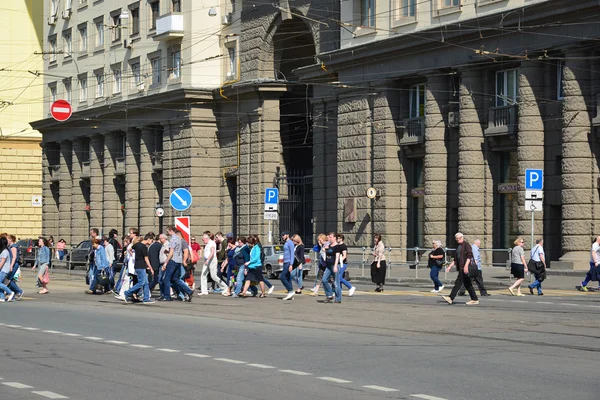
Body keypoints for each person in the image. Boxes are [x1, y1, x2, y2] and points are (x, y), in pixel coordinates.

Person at [441, 232, 479, 305]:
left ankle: (451, 298)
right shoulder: (458, 246)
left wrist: (466, 266)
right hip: (461, 267)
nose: (457, 240)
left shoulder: (466, 245)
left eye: (458, 238)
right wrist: (449, 267)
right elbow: (456, 259)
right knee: (468, 284)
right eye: (456, 239)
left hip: (464, 268)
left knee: (458, 282)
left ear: (462, 237)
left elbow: (469, 256)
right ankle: (474, 299)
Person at [161, 226, 194, 302]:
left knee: (167, 279)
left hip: (173, 260)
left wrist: (165, 263)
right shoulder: (179, 239)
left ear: (171, 231)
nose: (167, 233)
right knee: (175, 278)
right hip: (178, 261)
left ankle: (167, 296)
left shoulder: (173, 239)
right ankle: (189, 291)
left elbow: (172, 252)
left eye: (168, 231)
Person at [122, 233, 155, 304]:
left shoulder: (136, 245)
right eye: (151, 241)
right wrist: (151, 268)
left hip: (137, 265)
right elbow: (146, 258)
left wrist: (132, 254)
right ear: (148, 239)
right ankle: (127, 292)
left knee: (146, 282)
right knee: (141, 282)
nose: (151, 242)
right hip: (141, 266)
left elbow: (129, 249)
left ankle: (146, 298)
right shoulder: (144, 247)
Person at [199, 231, 228, 295]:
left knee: (214, 276)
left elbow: (212, 252)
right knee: (203, 275)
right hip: (207, 260)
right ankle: (204, 291)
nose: (203, 241)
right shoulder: (207, 244)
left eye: (203, 240)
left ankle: (225, 287)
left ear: (206, 238)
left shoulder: (212, 243)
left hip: (212, 260)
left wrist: (208, 260)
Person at [321, 232, 342, 303]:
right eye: (329, 237)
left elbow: (337, 257)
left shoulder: (337, 247)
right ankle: (329, 295)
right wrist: (325, 249)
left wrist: (336, 266)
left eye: (330, 237)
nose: (328, 238)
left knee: (336, 283)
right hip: (328, 266)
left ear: (334, 238)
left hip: (334, 265)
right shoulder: (329, 245)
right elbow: (325, 250)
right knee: (324, 280)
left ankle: (338, 299)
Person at [6, 235, 24, 300]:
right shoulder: (10, 246)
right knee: (9, 279)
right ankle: (13, 294)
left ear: (10, 240)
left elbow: (14, 257)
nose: (6, 240)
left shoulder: (13, 247)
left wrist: (11, 266)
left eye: (7, 239)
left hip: (14, 264)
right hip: (12, 264)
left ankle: (19, 291)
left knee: (8, 279)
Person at [280, 231, 295, 300]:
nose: (282, 236)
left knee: (282, 276)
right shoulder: (286, 243)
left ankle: (291, 290)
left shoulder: (290, 243)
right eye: (282, 235)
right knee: (288, 278)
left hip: (288, 262)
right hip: (285, 262)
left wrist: (291, 264)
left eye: (284, 235)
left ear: (287, 235)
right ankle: (290, 293)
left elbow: (292, 254)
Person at [0, 237, 15, 302]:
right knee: (0, 284)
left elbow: (2, 261)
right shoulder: (4, 251)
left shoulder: (5, 251)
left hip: (4, 270)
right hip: (3, 269)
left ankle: (10, 292)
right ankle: (2, 297)